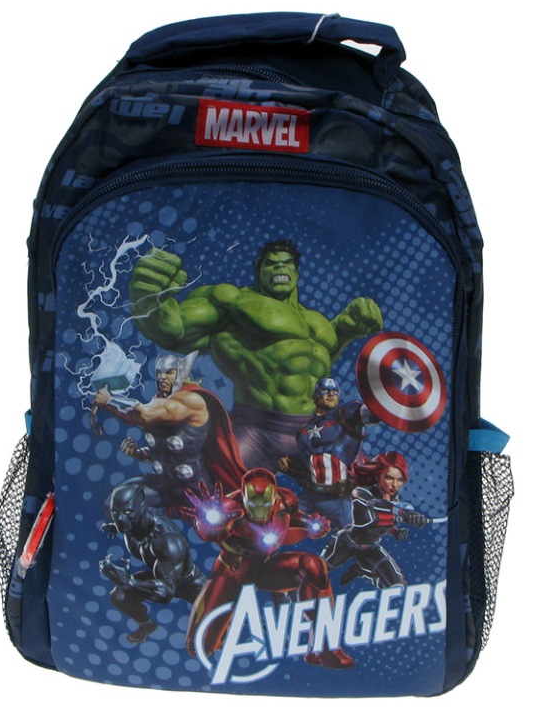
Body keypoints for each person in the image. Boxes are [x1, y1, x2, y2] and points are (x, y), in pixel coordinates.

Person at [128, 240, 383, 470]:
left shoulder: (319, 324)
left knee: (354, 488)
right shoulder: (231, 300)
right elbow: (175, 330)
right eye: (271, 263)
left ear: (296, 273)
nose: (279, 267)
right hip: (257, 430)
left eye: (287, 263)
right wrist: (148, 298)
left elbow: (311, 366)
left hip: (312, 430)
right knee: (211, 488)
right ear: (259, 272)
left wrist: (346, 331)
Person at [182, 469, 354, 669]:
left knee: (312, 565)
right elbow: (210, 529)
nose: (259, 511)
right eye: (254, 504)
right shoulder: (229, 506)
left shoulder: (286, 501)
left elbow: (294, 517)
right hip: (233, 570)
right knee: (199, 647)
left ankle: (325, 647)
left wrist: (311, 524)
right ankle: (222, 632)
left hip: (265, 567)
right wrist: (208, 523)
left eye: (264, 504)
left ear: (273, 498)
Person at [93, 351, 246, 510]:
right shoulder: (158, 403)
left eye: (169, 372)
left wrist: (109, 401)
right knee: (114, 503)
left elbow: (143, 415)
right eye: (159, 373)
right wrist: (139, 453)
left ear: (181, 374)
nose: (162, 377)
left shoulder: (191, 400)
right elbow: (164, 449)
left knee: (216, 524)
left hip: (196, 490)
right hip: (164, 485)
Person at [99, 482, 207, 644]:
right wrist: (115, 527)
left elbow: (166, 592)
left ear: (141, 507)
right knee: (119, 596)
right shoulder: (131, 524)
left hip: (189, 584)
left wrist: (129, 582)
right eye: (115, 512)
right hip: (161, 574)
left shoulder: (166, 541)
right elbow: (125, 522)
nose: (120, 519)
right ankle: (146, 625)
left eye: (127, 512)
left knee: (218, 630)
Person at [278, 377, 378, 528]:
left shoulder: (348, 414)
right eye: (325, 390)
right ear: (315, 396)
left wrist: (384, 401)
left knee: (351, 537)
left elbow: (370, 413)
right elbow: (306, 465)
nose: (331, 394)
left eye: (335, 391)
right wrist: (288, 465)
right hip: (311, 496)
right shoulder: (304, 431)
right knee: (282, 524)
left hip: (338, 500)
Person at [322, 452, 428, 588]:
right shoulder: (361, 492)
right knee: (315, 571)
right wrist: (402, 512)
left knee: (396, 586)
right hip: (345, 545)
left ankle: (362, 570)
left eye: (400, 480)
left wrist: (395, 531)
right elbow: (374, 509)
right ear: (378, 476)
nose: (394, 485)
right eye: (389, 478)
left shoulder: (394, 500)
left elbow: (383, 520)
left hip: (370, 548)